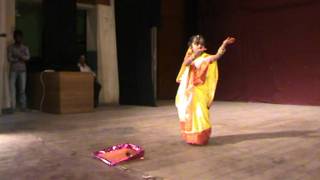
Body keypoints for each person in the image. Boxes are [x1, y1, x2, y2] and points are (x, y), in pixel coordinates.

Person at [175, 34, 236, 145]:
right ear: (191, 45)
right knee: (187, 114)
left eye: (201, 44)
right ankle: (192, 137)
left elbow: (217, 56)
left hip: (200, 91)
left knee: (200, 113)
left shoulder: (206, 57)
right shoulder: (189, 57)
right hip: (188, 92)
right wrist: (194, 55)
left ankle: (201, 137)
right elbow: (186, 64)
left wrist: (224, 44)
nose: (199, 46)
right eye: (196, 44)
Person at [8, 30, 30, 111]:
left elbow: (27, 57)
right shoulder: (11, 47)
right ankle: (12, 107)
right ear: (14, 38)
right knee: (12, 89)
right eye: (16, 37)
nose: (18, 38)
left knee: (22, 89)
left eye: (19, 37)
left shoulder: (25, 47)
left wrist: (20, 56)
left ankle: (23, 106)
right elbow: (9, 58)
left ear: (22, 38)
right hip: (13, 70)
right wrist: (18, 58)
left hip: (22, 71)